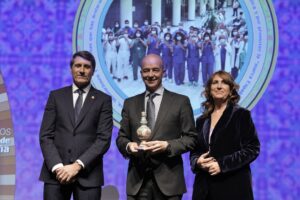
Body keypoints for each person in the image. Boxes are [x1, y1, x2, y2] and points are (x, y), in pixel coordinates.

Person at [116, 54, 197, 200]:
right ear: (141, 73)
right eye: (146, 71)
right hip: (138, 183)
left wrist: (167, 145)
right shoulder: (130, 103)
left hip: (169, 183)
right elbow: (121, 138)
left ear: (163, 72)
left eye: (155, 70)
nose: (151, 75)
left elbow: (191, 138)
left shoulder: (181, 102)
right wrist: (129, 146)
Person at [39, 51, 113, 200]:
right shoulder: (56, 96)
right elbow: (45, 135)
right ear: (71, 68)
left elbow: (103, 139)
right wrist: (58, 168)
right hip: (56, 176)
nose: (81, 70)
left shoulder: (103, 100)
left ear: (93, 71)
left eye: (87, 66)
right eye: (77, 65)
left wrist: (77, 166)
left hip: (89, 176)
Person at [190, 71, 260, 200]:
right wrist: (197, 162)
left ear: (231, 89)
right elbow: (195, 151)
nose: (219, 86)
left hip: (233, 186)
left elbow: (252, 149)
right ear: (209, 89)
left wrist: (222, 165)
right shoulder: (201, 121)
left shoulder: (241, 115)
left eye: (224, 82)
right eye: (215, 82)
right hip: (204, 188)